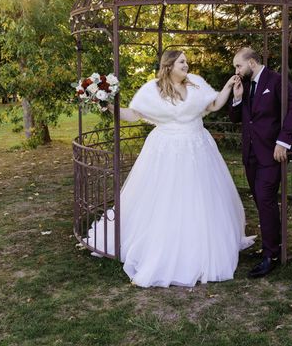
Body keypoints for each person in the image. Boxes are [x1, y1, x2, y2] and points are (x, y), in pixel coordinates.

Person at [86, 50, 255, 288]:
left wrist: (229, 86)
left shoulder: (196, 83)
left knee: (200, 197)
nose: (187, 65)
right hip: (166, 149)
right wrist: (109, 107)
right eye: (182, 62)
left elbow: (215, 104)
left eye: (186, 61)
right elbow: (133, 114)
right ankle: (161, 248)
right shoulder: (152, 89)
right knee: (165, 197)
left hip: (198, 147)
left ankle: (200, 247)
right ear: (169, 66)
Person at [229, 47, 292, 278]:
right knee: (263, 202)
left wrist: (283, 141)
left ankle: (271, 255)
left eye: (238, 66)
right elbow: (235, 119)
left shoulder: (277, 80)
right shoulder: (246, 85)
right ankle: (274, 243)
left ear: (251, 62)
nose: (236, 71)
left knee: (265, 198)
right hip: (251, 154)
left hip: (271, 154)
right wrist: (237, 98)